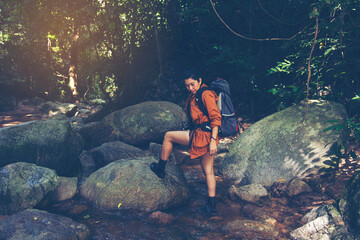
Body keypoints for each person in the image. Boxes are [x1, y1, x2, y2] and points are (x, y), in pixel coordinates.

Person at [150, 71, 221, 216]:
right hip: (202, 135)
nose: (190, 88)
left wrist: (213, 141)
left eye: (192, 84)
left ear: (200, 80)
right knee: (209, 172)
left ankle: (160, 169)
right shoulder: (194, 95)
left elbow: (216, 119)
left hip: (203, 137)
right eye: (187, 86)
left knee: (168, 136)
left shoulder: (206, 94)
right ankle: (212, 206)